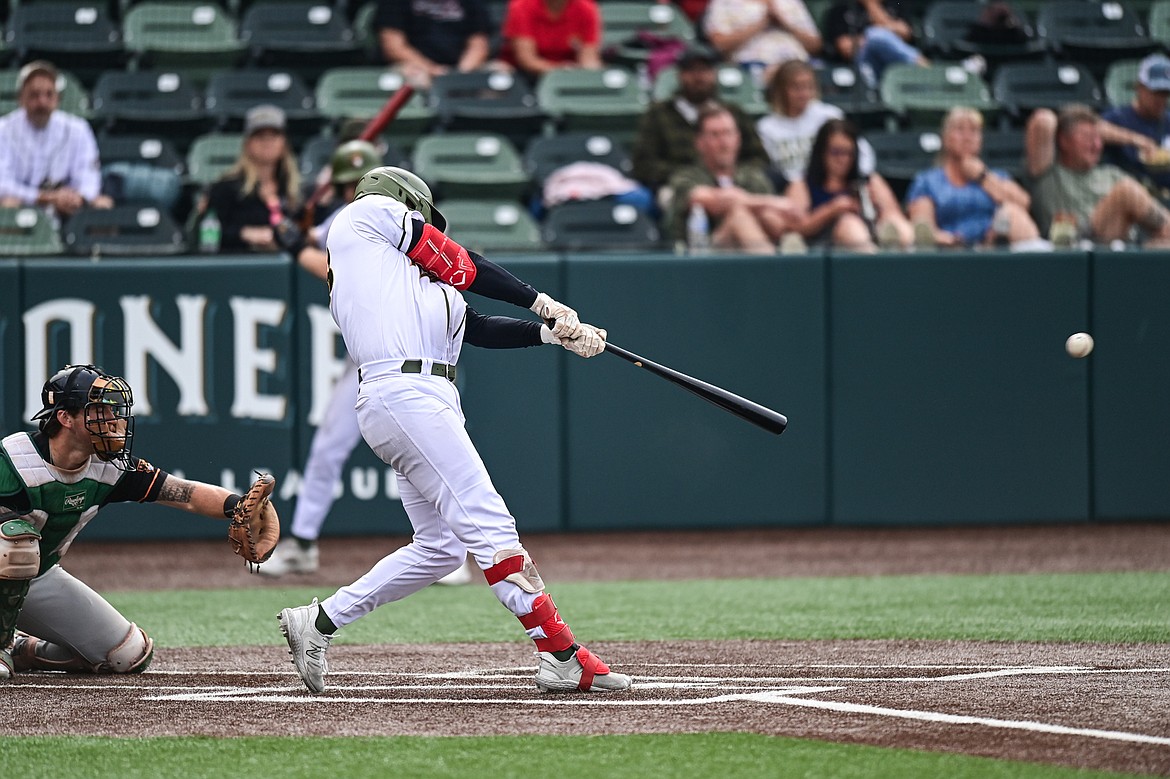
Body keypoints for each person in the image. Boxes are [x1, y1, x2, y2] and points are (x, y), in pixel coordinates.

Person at [276, 166, 631, 694]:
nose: (428, 230)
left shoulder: (409, 282)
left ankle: (321, 621)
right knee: (489, 521)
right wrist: (542, 301)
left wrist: (552, 335)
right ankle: (559, 653)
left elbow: (479, 329)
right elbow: (466, 265)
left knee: (440, 548)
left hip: (425, 399)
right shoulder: (364, 216)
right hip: (402, 393)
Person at [261, 140, 475, 585]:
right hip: (367, 360)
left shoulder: (393, 224)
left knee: (439, 455)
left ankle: (451, 550)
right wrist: (288, 232)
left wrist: (296, 249)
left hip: (416, 351)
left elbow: (327, 264)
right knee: (327, 449)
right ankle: (302, 543)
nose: (346, 196)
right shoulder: (347, 220)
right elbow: (304, 235)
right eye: (342, 186)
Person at [0, 364, 273, 680]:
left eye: (114, 411)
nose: (114, 421)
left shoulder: (109, 467)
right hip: (7, 562)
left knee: (127, 654)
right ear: (65, 418)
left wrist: (238, 507)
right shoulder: (14, 459)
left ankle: (24, 650)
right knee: (15, 538)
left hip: (36, 578)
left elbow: (185, 493)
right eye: (99, 411)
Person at [631, 43, 769, 196]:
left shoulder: (733, 112)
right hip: (677, 185)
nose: (699, 77)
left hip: (734, 183)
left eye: (705, 70)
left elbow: (759, 158)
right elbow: (644, 165)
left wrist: (731, 173)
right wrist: (691, 175)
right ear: (680, 75)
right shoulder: (658, 114)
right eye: (692, 70)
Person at [1024, 103, 1170, 247]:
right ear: (1064, 140)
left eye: (1099, 138)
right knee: (1126, 191)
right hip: (1073, 245)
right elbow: (1043, 121)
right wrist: (1134, 139)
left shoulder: (1111, 174)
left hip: (1120, 248)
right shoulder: (1047, 172)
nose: (1097, 145)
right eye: (1088, 137)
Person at [665, 105, 803, 253]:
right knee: (739, 216)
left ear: (738, 139)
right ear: (699, 142)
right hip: (702, 256)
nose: (724, 143)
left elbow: (776, 223)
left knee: (780, 227)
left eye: (728, 133)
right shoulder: (687, 176)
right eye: (715, 135)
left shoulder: (752, 177)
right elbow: (713, 201)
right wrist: (772, 202)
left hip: (753, 249)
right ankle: (773, 272)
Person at [906, 106, 1043, 249]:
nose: (967, 137)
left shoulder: (995, 176)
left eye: (974, 131)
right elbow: (923, 225)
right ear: (945, 138)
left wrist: (983, 177)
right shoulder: (928, 181)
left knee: (1013, 213)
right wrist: (948, 239)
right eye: (960, 130)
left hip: (991, 246)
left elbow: (1024, 204)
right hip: (948, 249)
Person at [0, 60, 113, 220]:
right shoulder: (3, 129)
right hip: (26, 205)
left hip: (67, 207)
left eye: (49, 94)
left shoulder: (77, 129)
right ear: (21, 98)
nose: (42, 102)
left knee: (103, 205)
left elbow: (89, 179)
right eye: (34, 95)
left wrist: (78, 198)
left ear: (57, 99)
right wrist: (45, 198)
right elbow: (3, 184)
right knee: (8, 204)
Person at [785, 118, 912, 251]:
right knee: (849, 223)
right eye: (836, 152)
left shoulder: (869, 180)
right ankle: (875, 262)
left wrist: (876, 206)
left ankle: (916, 252)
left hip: (872, 232)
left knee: (895, 222)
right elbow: (795, 227)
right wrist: (832, 209)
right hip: (825, 245)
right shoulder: (802, 185)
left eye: (849, 153)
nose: (843, 159)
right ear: (822, 152)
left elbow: (893, 214)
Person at [756, 58, 876, 189]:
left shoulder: (829, 115)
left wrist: (859, 180)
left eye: (809, 86)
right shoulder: (766, 127)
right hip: (790, 191)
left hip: (829, 186)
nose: (804, 93)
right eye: (797, 87)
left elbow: (863, 152)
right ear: (781, 89)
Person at [203, 104, 302, 254]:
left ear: (284, 143)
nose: (267, 142)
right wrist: (244, 233)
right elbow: (209, 234)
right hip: (241, 266)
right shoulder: (226, 188)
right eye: (260, 136)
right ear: (248, 143)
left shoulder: (294, 190)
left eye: (274, 135)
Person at [376, 0, 493, 90]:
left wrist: (459, 74)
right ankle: (425, 119)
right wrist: (432, 69)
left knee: (500, 73)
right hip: (415, 66)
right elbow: (394, 47)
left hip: (462, 68)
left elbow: (478, 45)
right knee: (417, 77)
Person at [1101, 53, 1170, 196]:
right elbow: (1096, 129)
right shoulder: (1120, 116)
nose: (1161, 99)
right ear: (1140, 88)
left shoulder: (1167, 119)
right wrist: (1135, 140)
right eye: (1156, 92)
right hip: (1130, 197)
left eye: (1165, 93)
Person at [702, 0, 821, 82]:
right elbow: (719, 43)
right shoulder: (724, 2)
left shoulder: (790, 2)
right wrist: (762, 23)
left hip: (799, 66)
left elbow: (815, 45)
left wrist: (783, 23)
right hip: (752, 69)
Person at [822, 0, 927, 86]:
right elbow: (847, 49)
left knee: (876, 35)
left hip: (897, 64)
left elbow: (905, 34)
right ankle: (923, 68)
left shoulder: (895, 4)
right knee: (875, 36)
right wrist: (874, 37)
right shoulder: (841, 8)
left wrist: (872, 6)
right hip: (864, 68)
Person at [498, 0, 602, 81]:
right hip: (523, 75)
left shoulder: (586, 8)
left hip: (571, 75)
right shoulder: (522, 6)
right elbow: (527, 59)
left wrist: (591, 74)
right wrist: (559, 70)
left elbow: (589, 58)